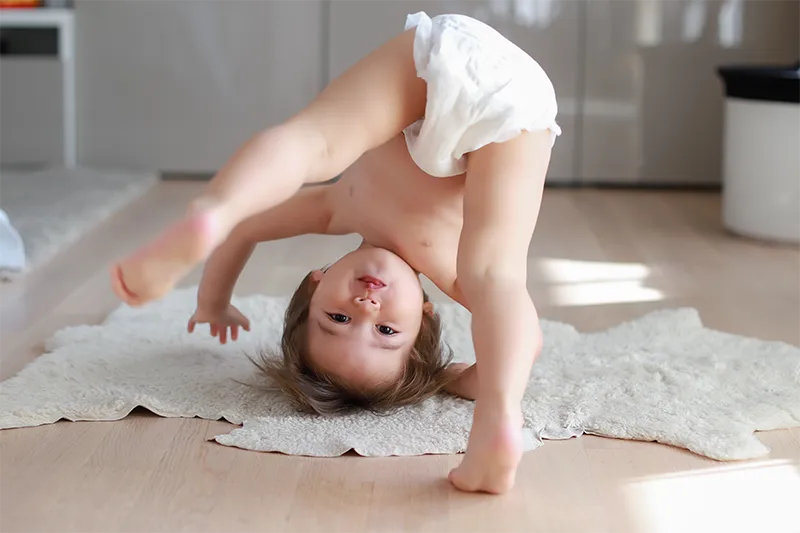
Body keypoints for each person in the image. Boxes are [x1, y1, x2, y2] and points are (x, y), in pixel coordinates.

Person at [110, 12, 560, 494]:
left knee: (314, 143)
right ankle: (499, 416)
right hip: (512, 107)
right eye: (387, 331)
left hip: (443, 65)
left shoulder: (336, 210)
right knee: (496, 277)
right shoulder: (452, 274)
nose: (365, 307)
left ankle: (212, 212)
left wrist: (213, 298)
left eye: (337, 320)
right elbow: (521, 338)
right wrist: (456, 381)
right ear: (425, 317)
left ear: (316, 280)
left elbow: (244, 230)